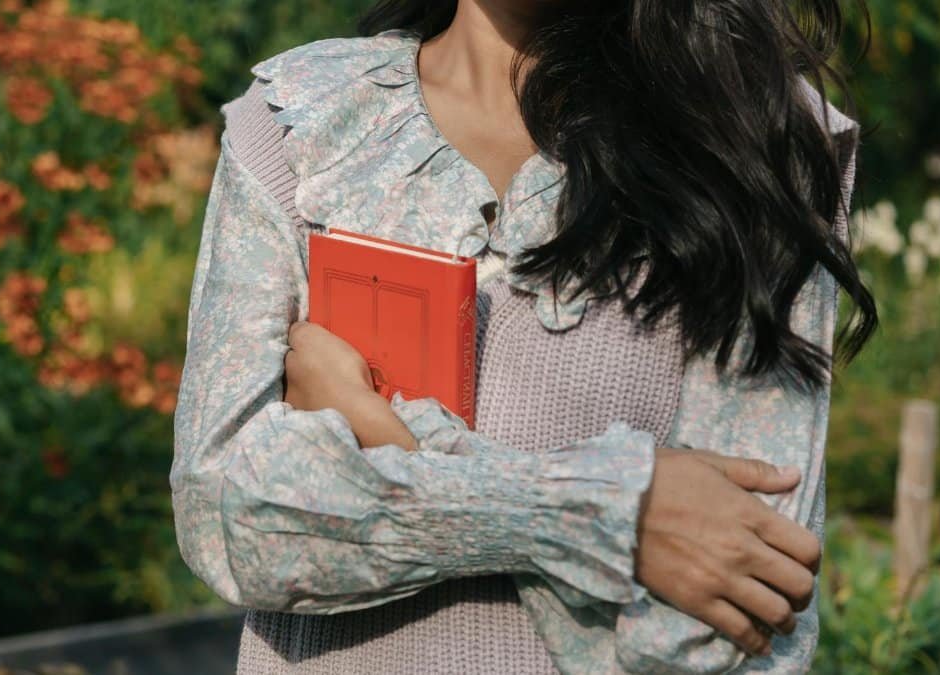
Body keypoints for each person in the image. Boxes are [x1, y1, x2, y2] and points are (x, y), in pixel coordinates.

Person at [171, 0, 878, 672]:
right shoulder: (303, 121)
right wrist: (604, 511)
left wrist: (380, 441)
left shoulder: (754, 140)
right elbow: (226, 523)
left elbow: (715, 630)